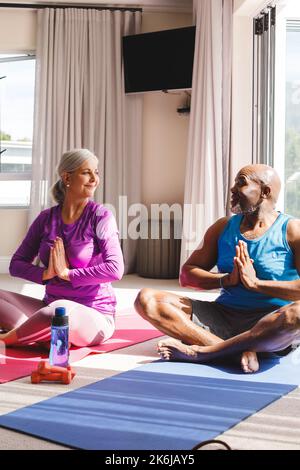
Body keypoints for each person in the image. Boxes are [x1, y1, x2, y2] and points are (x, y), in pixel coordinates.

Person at [134, 164, 300, 373]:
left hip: (270, 324)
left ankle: (202, 353)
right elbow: (187, 275)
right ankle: (238, 352)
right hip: (224, 316)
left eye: (241, 182)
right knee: (147, 299)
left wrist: (257, 284)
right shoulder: (222, 227)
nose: (232, 189)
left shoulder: (292, 231)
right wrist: (225, 280)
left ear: (265, 192)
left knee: (298, 314)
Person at [0, 148, 124, 348]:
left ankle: (11, 338)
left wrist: (67, 274)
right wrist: (46, 274)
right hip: (48, 306)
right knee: (50, 311)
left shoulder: (101, 216)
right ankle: (36, 332)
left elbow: (115, 269)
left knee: (59, 311)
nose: (94, 178)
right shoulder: (46, 219)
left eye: (96, 172)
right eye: (86, 172)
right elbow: (16, 265)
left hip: (93, 313)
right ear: (67, 177)